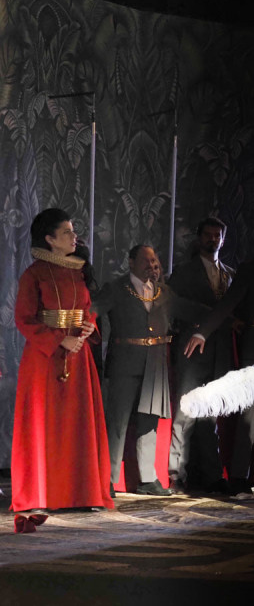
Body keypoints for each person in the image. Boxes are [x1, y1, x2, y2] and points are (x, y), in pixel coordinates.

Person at [11, 208, 114, 520]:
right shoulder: (34, 275)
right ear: (50, 239)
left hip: (78, 355)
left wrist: (88, 326)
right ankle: (40, 493)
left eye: (73, 231)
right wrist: (59, 340)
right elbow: (24, 318)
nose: (74, 237)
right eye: (67, 232)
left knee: (78, 424)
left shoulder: (78, 271)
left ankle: (82, 492)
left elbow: (87, 308)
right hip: (45, 359)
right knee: (44, 423)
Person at [184, 222, 254, 497]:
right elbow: (228, 303)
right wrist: (202, 332)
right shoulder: (249, 269)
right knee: (250, 414)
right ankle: (238, 476)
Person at [93, 245, 206, 496]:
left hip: (155, 366)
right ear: (131, 262)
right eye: (145, 261)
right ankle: (107, 479)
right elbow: (93, 310)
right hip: (124, 363)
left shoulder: (163, 292)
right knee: (117, 423)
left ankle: (147, 479)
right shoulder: (116, 288)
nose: (151, 266)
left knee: (149, 422)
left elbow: (192, 310)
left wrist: (221, 318)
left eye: (154, 261)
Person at [168, 217, 234, 493]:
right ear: (199, 237)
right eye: (208, 234)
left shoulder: (230, 274)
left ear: (223, 239)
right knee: (186, 411)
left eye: (217, 235)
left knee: (211, 413)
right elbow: (172, 304)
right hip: (192, 348)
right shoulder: (184, 271)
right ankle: (176, 474)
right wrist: (208, 316)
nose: (212, 239)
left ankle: (212, 474)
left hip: (220, 350)